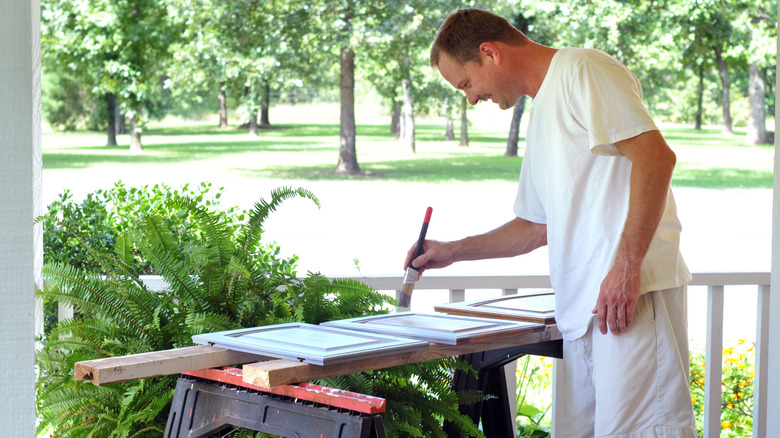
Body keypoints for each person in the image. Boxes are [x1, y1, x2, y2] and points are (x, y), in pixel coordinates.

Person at [407, 8, 697, 438]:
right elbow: (537, 226)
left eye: (466, 83)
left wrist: (626, 267)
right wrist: (452, 251)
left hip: (630, 299)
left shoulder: (583, 70)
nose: (470, 98)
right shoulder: (541, 112)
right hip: (586, 314)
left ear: (490, 53)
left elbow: (656, 158)